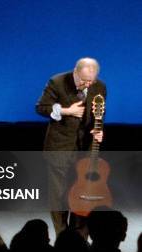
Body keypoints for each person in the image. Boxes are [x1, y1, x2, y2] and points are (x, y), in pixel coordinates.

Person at [35, 57, 106, 236]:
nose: (87, 84)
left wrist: (99, 131)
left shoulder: (100, 87)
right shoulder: (57, 82)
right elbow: (41, 107)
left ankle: (79, 238)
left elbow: (99, 116)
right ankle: (62, 238)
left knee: (83, 194)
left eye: (91, 80)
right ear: (75, 72)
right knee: (59, 196)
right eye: (83, 80)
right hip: (60, 147)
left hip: (85, 150)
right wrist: (67, 111)